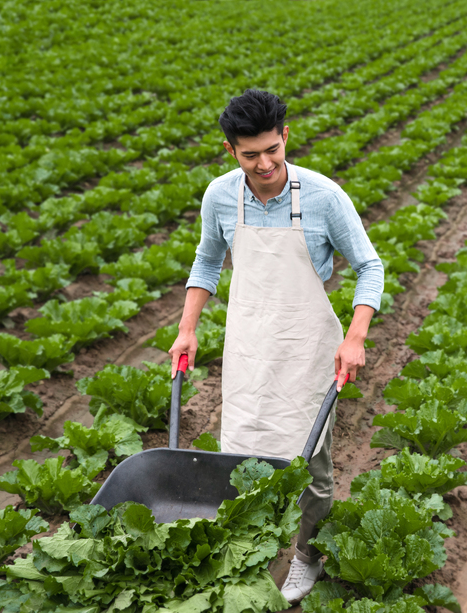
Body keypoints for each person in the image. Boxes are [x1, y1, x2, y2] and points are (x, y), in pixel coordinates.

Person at [168, 89, 384, 604]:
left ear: (285, 137)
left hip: (308, 347)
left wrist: (356, 337)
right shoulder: (220, 196)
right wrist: (187, 328)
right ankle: (252, 547)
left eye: (272, 149)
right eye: (250, 155)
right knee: (241, 452)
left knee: (310, 465)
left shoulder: (324, 197)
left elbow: (370, 267)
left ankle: (307, 555)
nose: (265, 164)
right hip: (249, 345)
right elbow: (206, 263)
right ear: (231, 151)